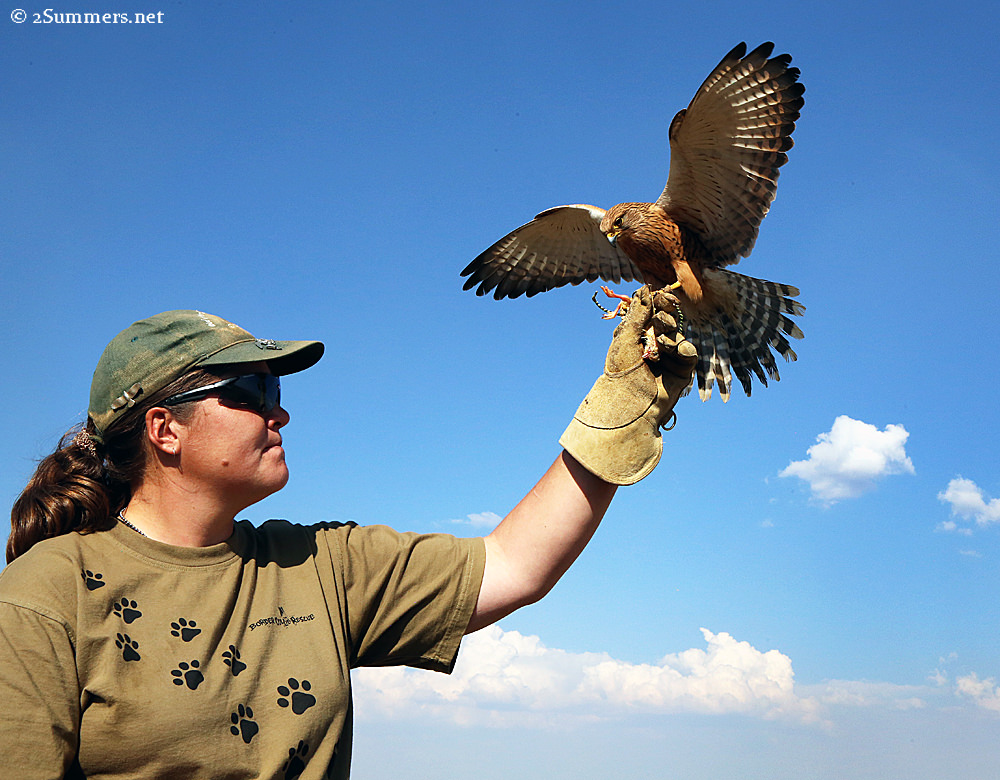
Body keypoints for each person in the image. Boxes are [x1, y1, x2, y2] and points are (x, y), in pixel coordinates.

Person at [0, 289, 696, 780]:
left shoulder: (319, 565)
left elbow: (514, 564)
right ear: (165, 429)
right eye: (252, 393)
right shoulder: (48, 594)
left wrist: (628, 401)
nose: (281, 415)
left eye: (278, 393)